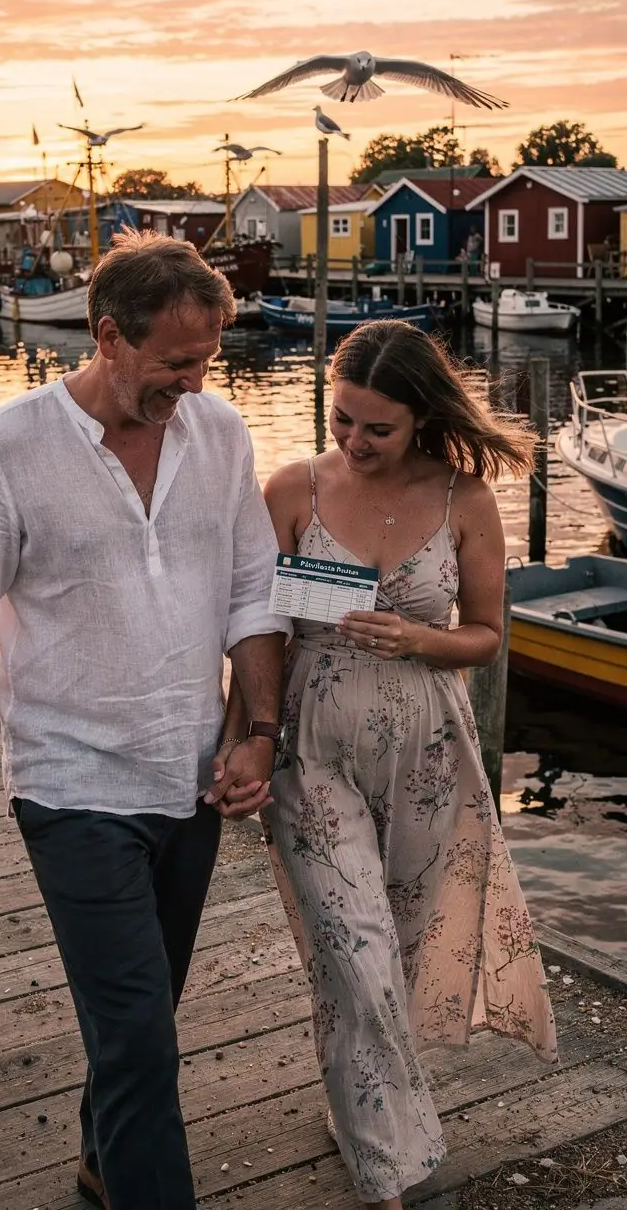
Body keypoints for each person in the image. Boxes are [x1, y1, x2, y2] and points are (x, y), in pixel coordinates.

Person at [0, 229, 289, 1210]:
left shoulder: (220, 434)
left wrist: (258, 734)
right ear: (109, 336)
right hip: (69, 782)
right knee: (139, 1030)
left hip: (189, 778)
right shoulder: (4, 451)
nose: (194, 385)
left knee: (141, 1017)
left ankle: (100, 1161)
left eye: (207, 362)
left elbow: (253, 594)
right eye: (176, 364)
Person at [227, 320, 557, 1208]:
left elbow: (484, 636)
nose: (354, 440)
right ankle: (390, 1172)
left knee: (397, 953)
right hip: (312, 746)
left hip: (429, 752)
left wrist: (417, 637)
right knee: (355, 947)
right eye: (342, 419)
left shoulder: (465, 499)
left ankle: (355, 1110)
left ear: (421, 419)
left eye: (378, 427)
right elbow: (255, 626)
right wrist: (245, 737)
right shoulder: (291, 490)